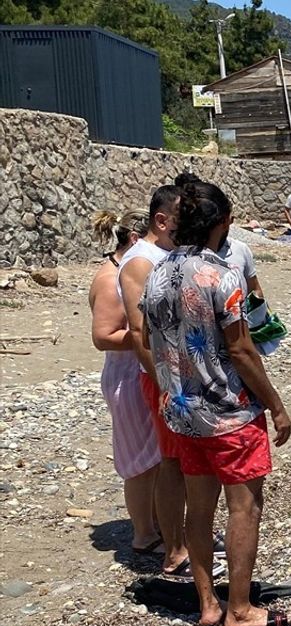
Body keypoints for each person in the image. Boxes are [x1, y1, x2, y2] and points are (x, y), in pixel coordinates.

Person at [142, 180, 291, 626]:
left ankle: (208, 603)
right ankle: (242, 608)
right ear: (220, 223)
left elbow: (151, 338)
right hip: (227, 413)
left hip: (183, 412)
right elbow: (243, 351)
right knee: (243, 508)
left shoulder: (157, 273)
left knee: (199, 508)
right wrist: (276, 406)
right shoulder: (220, 274)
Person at [117, 185, 202, 579]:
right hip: (165, 377)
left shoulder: (167, 256)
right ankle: (175, 549)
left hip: (182, 374)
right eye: (182, 221)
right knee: (171, 461)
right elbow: (139, 331)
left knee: (185, 460)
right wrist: (164, 382)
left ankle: (186, 536)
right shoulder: (140, 262)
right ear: (162, 220)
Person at [89, 209, 163, 553]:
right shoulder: (110, 279)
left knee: (157, 456)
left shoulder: (125, 273)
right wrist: (149, 335)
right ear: (135, 239)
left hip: (138, 371)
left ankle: (159, 524)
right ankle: (144, 534)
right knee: (139, 461)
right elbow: (103, 335)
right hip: (126, 376)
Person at [177, 173, 264, 299]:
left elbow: (255, 290)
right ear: (223, 221)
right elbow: (232, 316)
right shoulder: (226, 275)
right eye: (230, 219)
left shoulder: (161, 267)